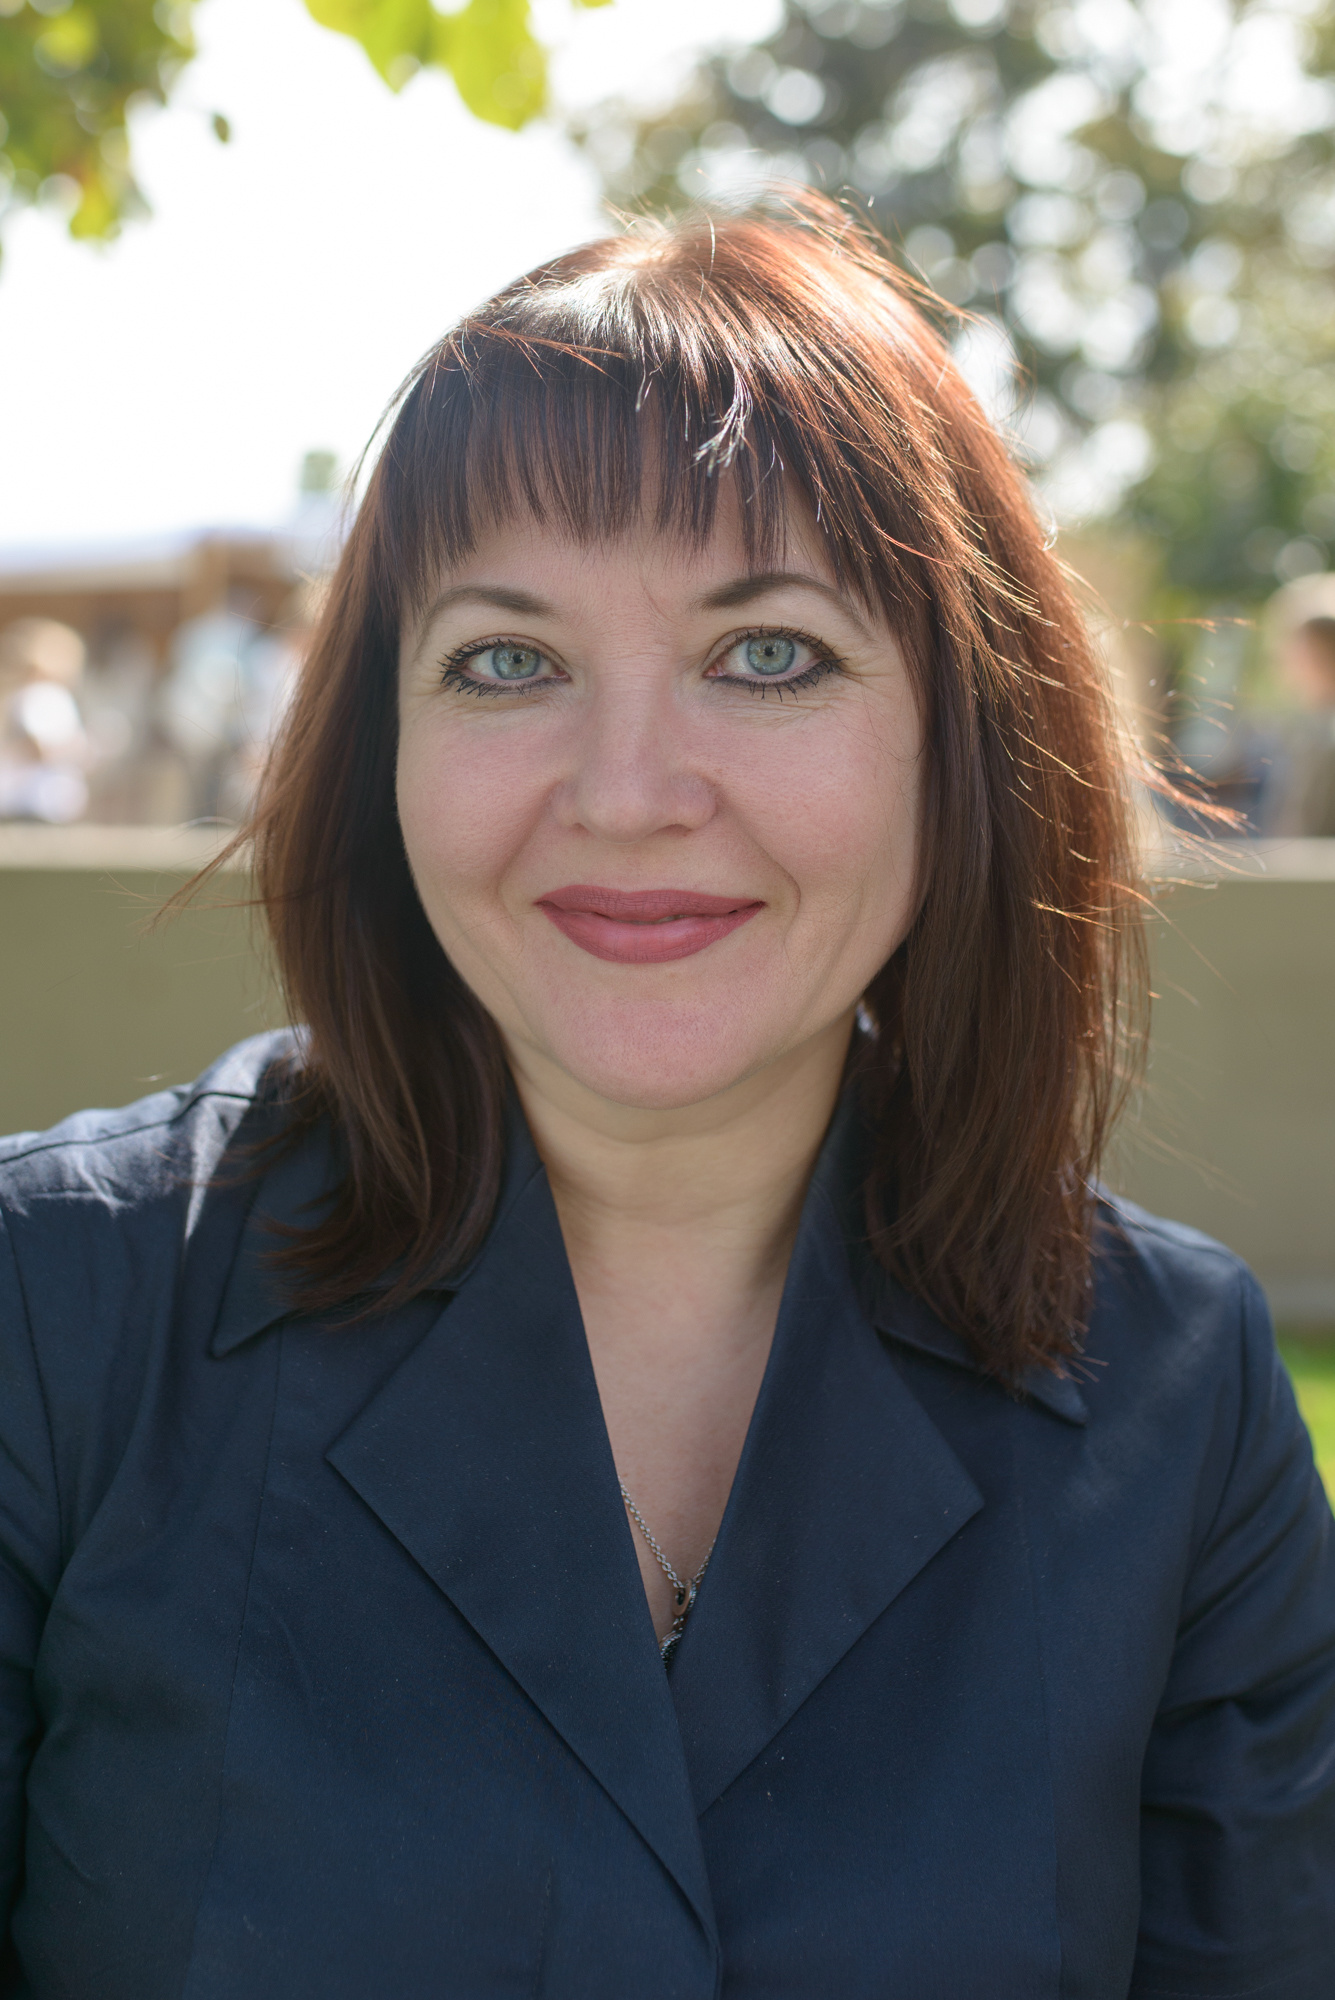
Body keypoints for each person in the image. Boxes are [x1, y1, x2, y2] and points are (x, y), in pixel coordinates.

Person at [1, 204, 1332, 1999]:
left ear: (965, 734)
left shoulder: (1183, 1401)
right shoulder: (55, 1311)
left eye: (768, 654)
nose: (626, 793)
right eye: (507, 661)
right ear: (381, 741)